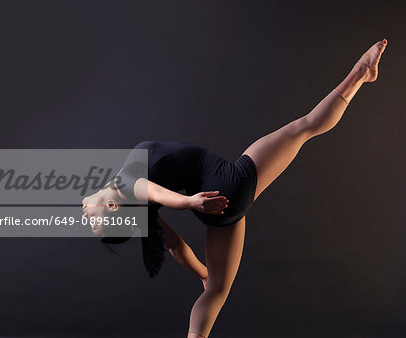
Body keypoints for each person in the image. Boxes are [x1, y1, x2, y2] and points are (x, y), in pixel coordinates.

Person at [82, 39, 388, 338]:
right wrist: (190, 203)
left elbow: (174, 245)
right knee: (303, 126)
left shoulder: (138, 207)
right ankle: (362, 71)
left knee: (216, 290)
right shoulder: (127, 184)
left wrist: (204, 274)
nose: (85, 215)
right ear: (112, 207)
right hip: (221, 186)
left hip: (221, 207)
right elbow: (157, 193)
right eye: (94, 221)